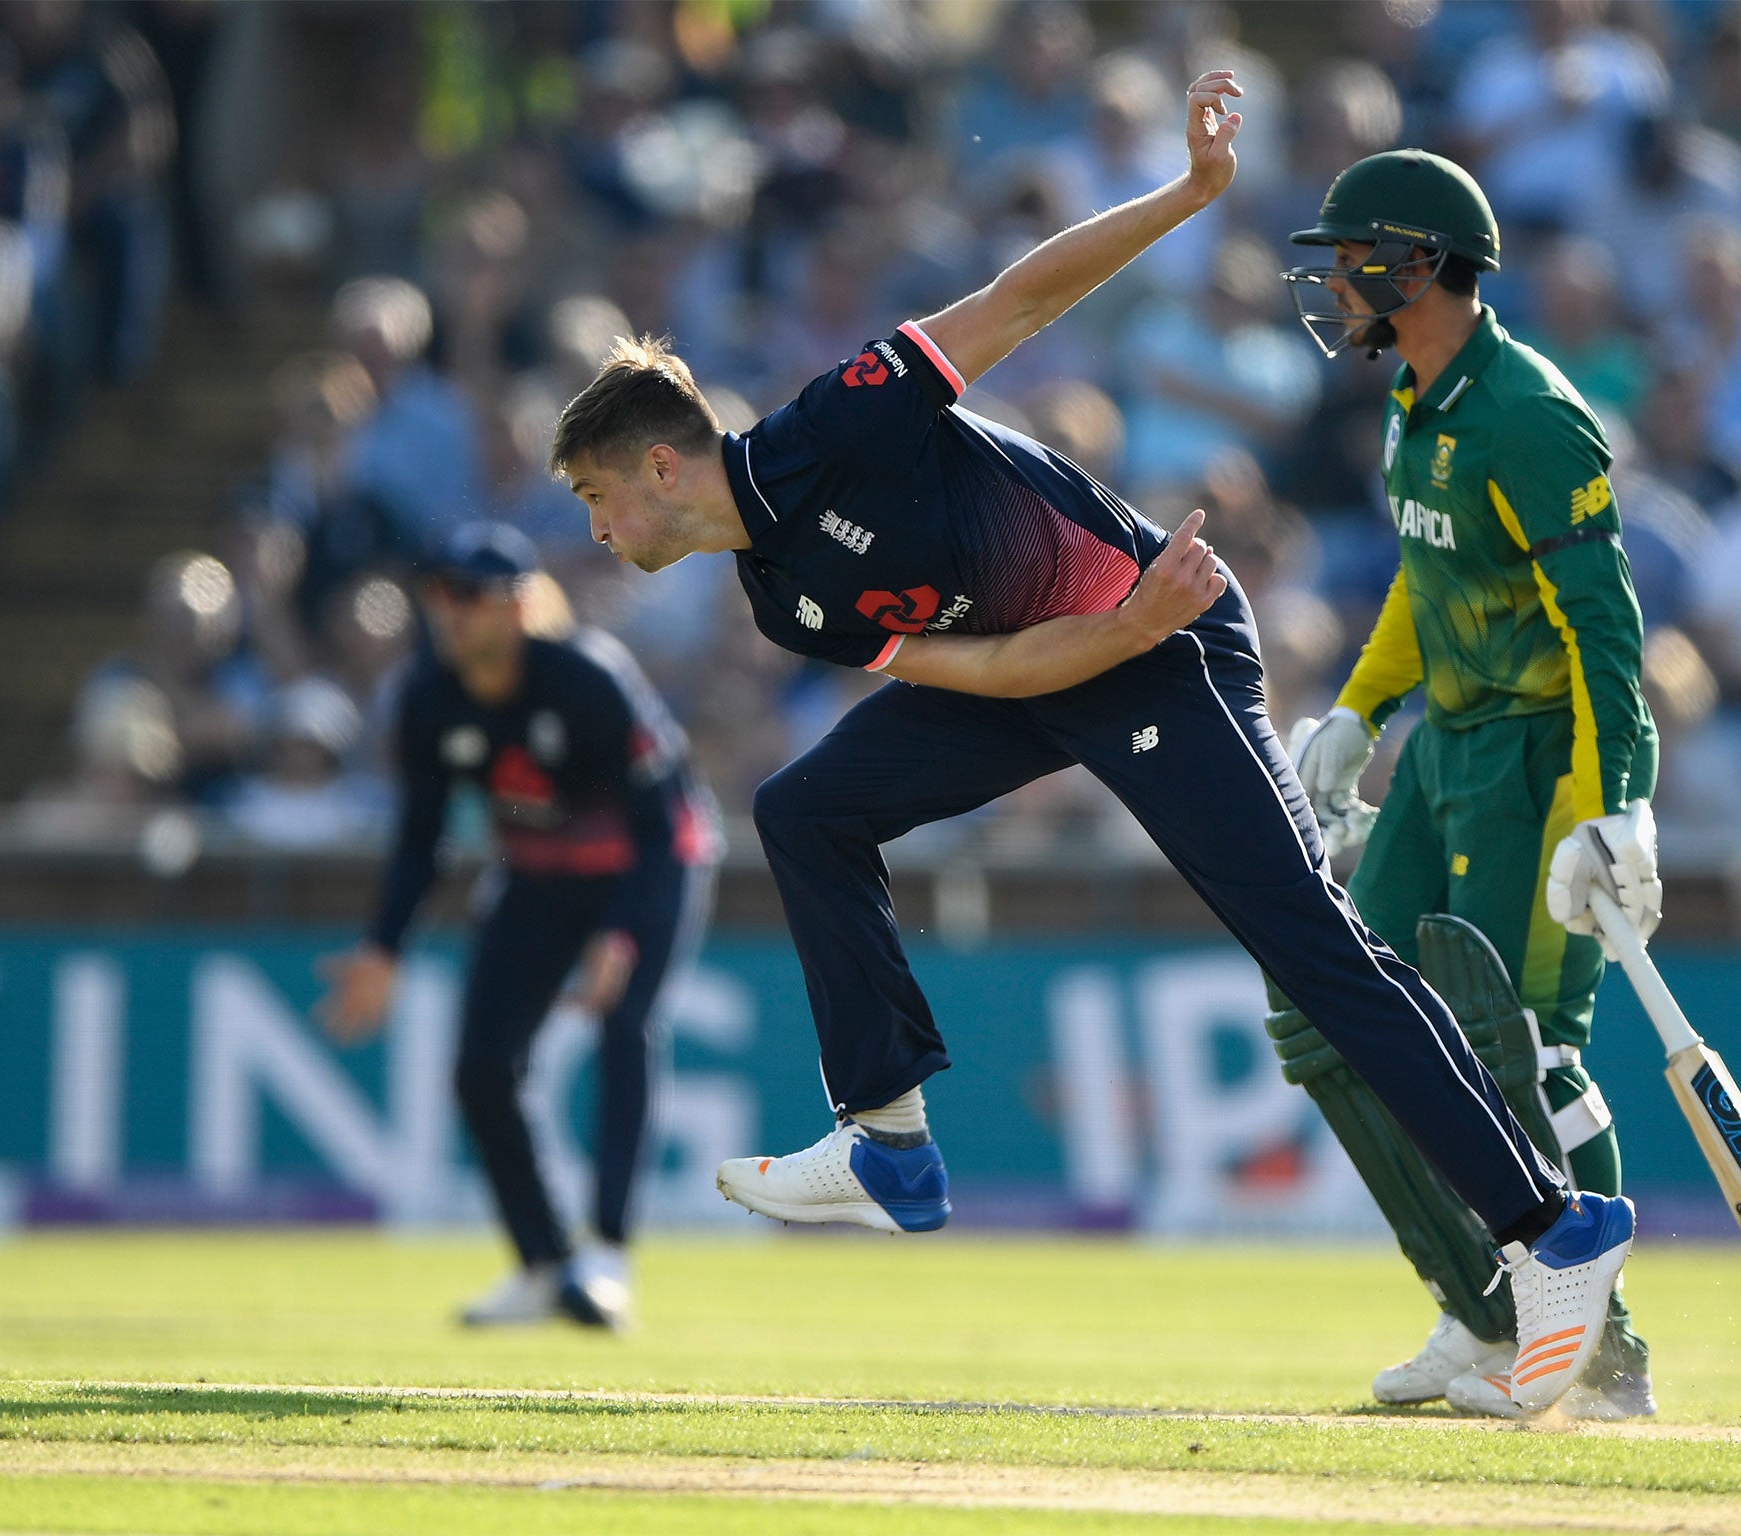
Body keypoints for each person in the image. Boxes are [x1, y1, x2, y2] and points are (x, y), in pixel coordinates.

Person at [553, 74, 1634, 1418]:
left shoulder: (826, 427)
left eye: (599, 500)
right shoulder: (780, 599)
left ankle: (1553, 1234)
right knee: (806, 810)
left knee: (1315, 950)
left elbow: (1015, 302)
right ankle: (889, 1141)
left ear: (661, 467)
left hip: (1171, 646)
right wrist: (1111, 636)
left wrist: (1189, 195)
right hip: (1087, 655)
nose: (600, 535)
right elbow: (998, 670)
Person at [1279, 149, 1661, 1419]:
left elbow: (1602, 628)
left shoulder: (1526, 414)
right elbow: (1427, 578)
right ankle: (1481, 1311)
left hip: (1540, 763)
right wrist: (1357, 707)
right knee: (1335, 1021)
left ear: (1418, 264)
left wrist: (1616, 801)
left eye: (1349, 259)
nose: (1331, 281)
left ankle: (1606, 1362)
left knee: (1523, 1051)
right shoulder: (1417, 400)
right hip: (1444, 751)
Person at [316, 523, 719, 1330]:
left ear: (519, 605)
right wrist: (385, 947)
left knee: (625, 1024)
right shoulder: (428, 698)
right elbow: (421, 838)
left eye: (470, 596)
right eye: (440, 594)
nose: (451, 613)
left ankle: (605, 1253)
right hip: (536, 874)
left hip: (644, 868)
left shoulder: (588, 679)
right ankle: (542, 1263)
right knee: (481, 1069)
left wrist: (624, 935)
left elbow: (658, 821)